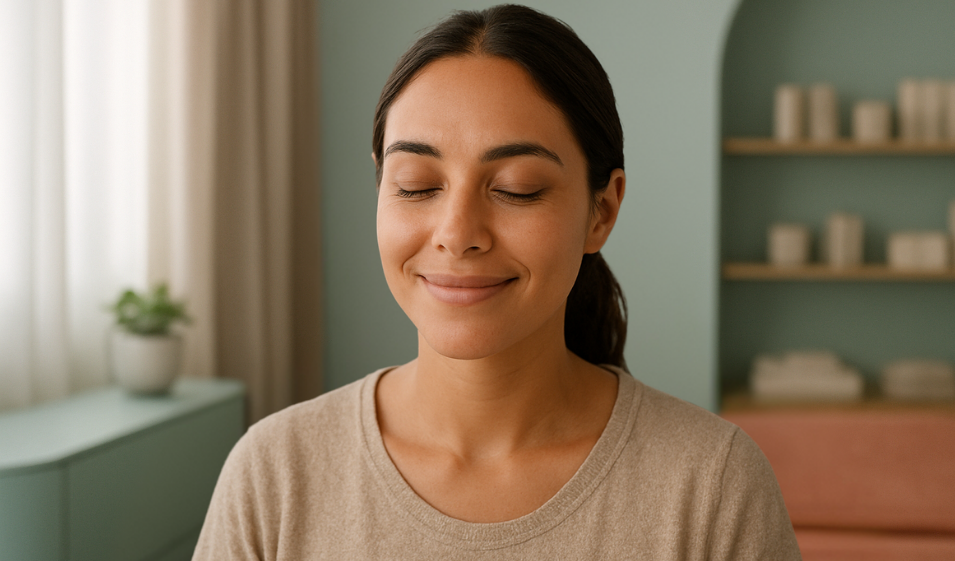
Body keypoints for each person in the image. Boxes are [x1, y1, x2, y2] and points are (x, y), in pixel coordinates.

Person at [193, 4, 801, 559]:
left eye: (517, 189)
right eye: (416, 186)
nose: (457, 233)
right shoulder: (273, 476)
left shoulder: (713, 487)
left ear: (602, 211)